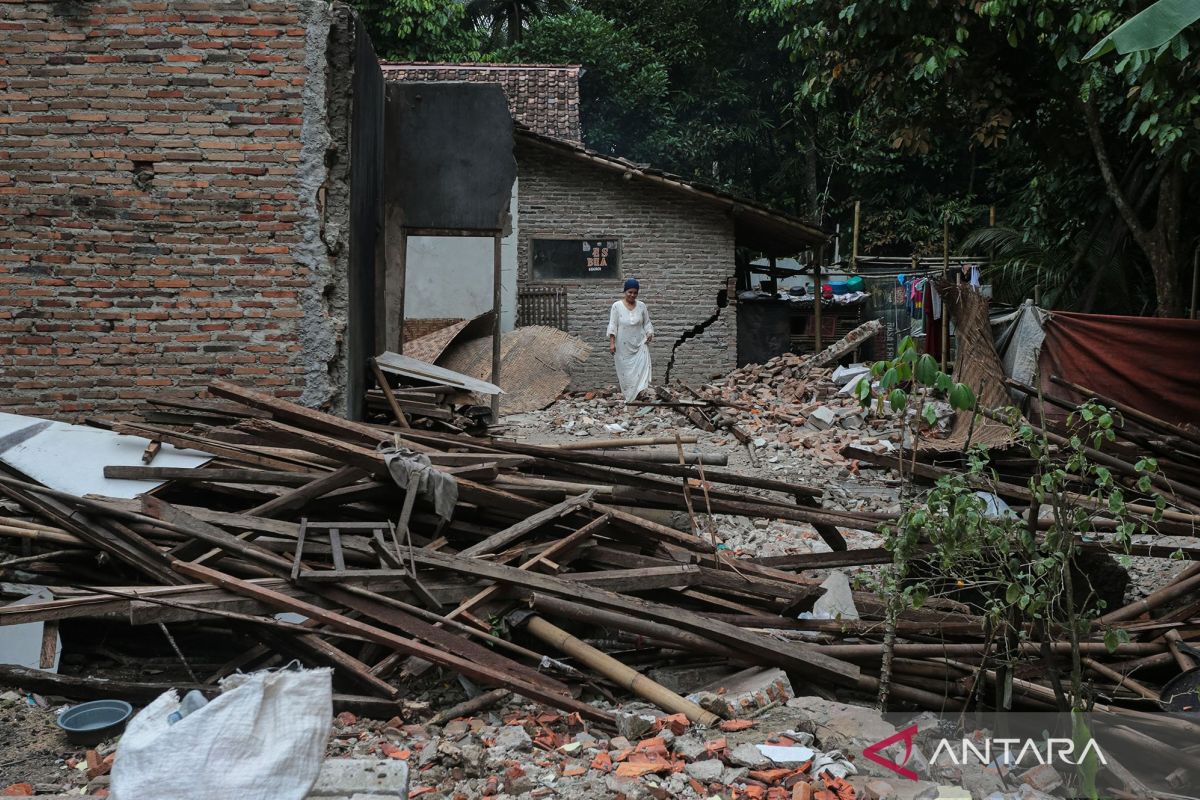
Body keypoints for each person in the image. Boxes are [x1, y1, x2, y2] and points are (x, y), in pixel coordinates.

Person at [607, 277, 654, 403]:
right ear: (625, 291)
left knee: (641, 370)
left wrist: (649, 333)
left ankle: (640, 394)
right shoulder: (616, 306)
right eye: (630, 292)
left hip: (640, 344)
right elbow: (613, 325)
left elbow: (647, 323)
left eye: (635, 293)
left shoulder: (642, 306)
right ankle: (629, 397)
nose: (632, 295)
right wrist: (612, 343)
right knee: (626, 373)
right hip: (622, 347)